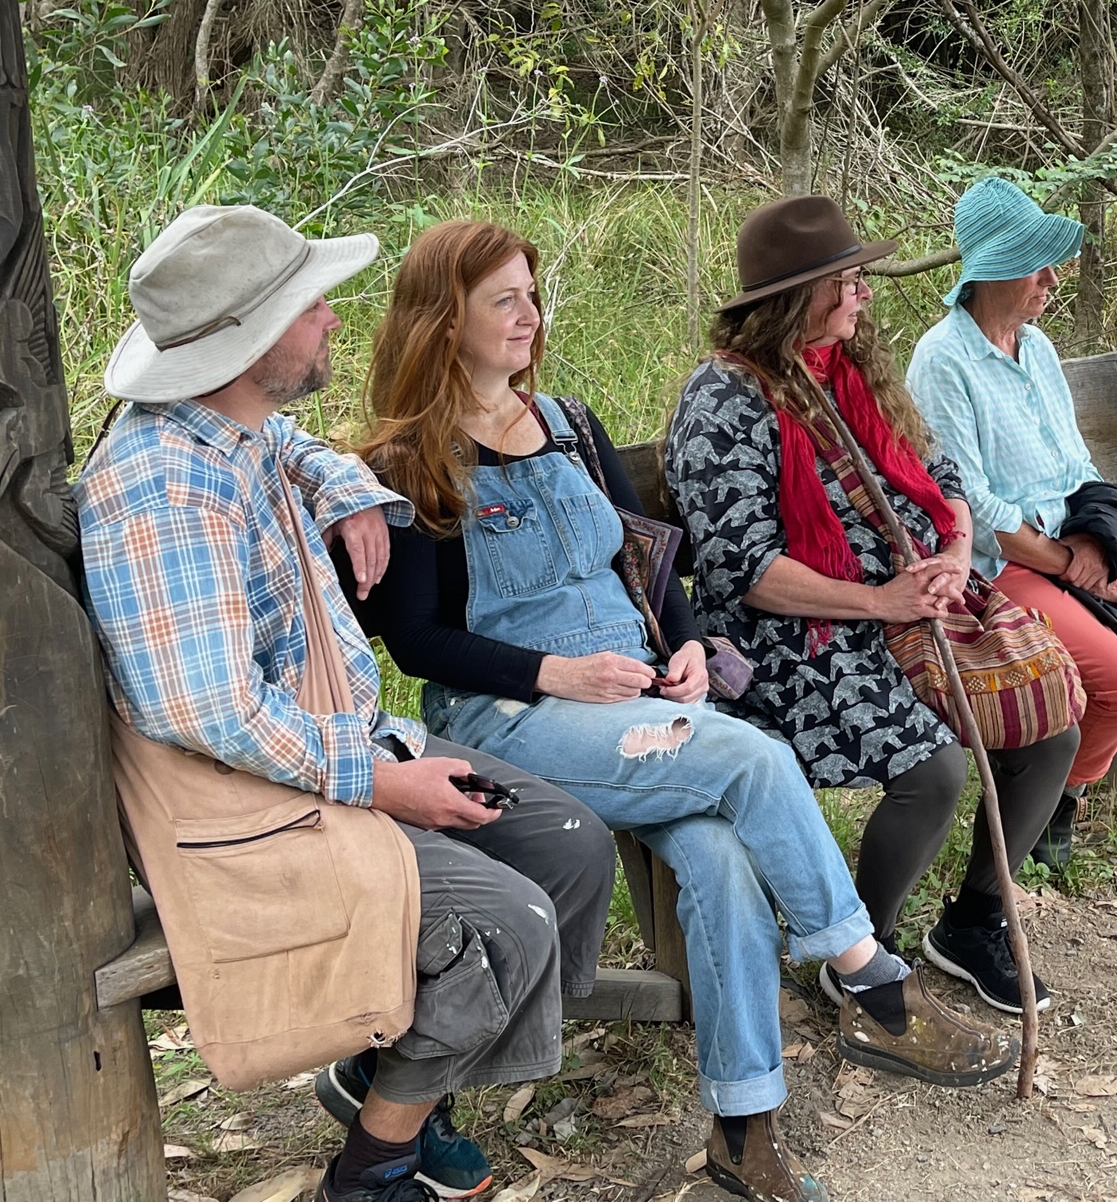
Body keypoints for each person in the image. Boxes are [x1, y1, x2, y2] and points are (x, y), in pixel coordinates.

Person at [354, 221, 1015, 1202]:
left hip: (636, 706)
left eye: (533, 292)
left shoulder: (569, 426)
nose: (530, 314)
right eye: (504, 299)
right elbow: (415, 641)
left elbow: (650, 564)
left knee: (723, 859)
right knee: (752, 762)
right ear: (443, 320)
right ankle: (869, 973)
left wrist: (693, 645)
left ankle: (743, 1137)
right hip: (511, 714)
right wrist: (557, 674)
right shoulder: (415, 460)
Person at [77, 205, 619, 1202]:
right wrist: (381, 782)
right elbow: (207, 713)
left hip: (332, 752)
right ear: (248, 339)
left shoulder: (233, 427)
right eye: (308, 303)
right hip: (250, 807)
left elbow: (289, 444)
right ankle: (373, 1170)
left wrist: (348, 487)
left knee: (571, 844)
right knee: (509, 920)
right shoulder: (165, 490)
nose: (333, 317)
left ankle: (397, 1072)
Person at [665, 196, 1081, 1015]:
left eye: (858, 280)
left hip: (912, 604)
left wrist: (955, 558)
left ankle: (973, 924)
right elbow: (744, 568)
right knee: (932, 769)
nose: (861, 296)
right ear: (794, 298)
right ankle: (862, 950)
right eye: (846, 283)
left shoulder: (856, 373)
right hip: (793, 637)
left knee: (1052, 723)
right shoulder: (725, 399)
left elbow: (947, 480)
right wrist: (881, 599)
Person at [907, 177, 1117, 867]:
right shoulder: (943, 360)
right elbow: (976, 506)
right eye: (1037, 264)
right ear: (991, 270)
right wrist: (1067, 565)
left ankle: (1055, 784)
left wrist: (1095, 548)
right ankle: (1056, 797)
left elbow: (1077, 464)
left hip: (1073, 546)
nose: (1053, 278)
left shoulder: (1038, 347)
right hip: (1000, 569)